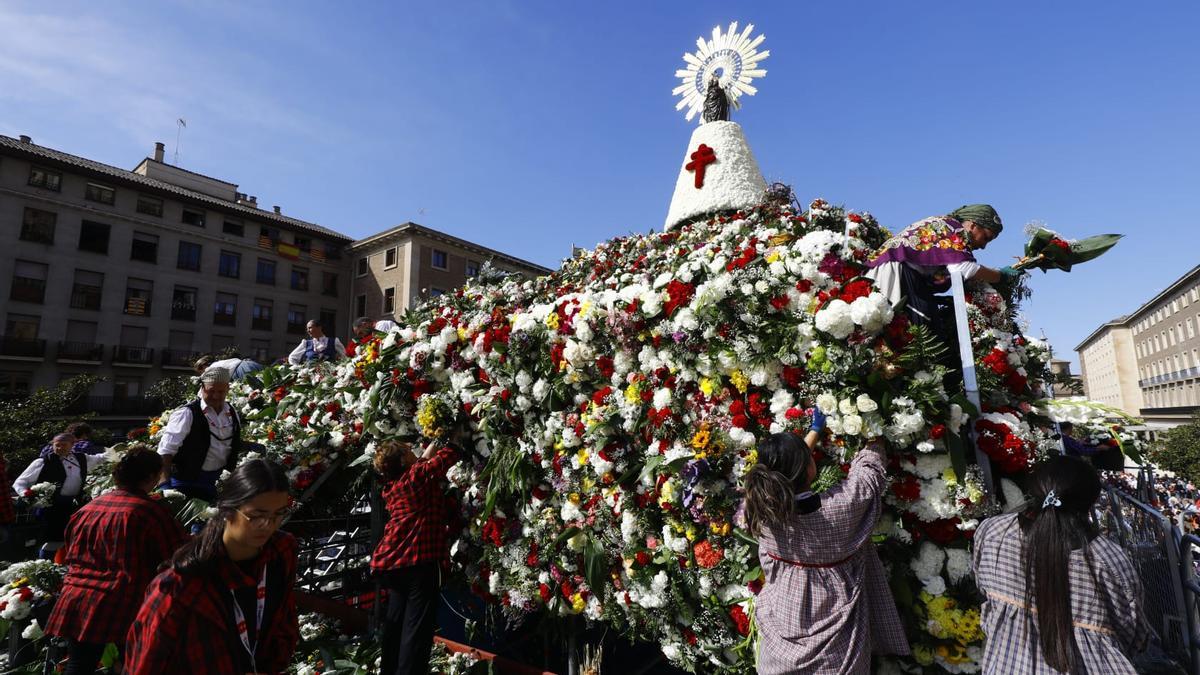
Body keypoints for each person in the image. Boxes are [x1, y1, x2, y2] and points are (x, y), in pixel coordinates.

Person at [745, 426, 909, 674]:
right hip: (835, 645)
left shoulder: (761, 512)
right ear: (809, 468)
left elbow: (785, 473)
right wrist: (873, 432)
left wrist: (814, 432)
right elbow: (868, 475)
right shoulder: (837, 511)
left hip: (783, 624)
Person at [972, 455, 1150, 673]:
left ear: (1034, 489)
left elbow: (983, 588)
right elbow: (1133, 634)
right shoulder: (1107, 558)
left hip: (1006, 664)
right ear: (1091, 501)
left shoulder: (993, 532)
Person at [124, 459, 298, 674]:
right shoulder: (178, 587)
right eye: (255, 516)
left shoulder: (281, 551)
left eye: (278, 514)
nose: (267, 525)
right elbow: (144, 665)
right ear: (228, 509)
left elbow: (284, 621)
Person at [45, 444, 187, 675]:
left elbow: (71, 553)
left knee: (79, 665)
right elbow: (175, 556)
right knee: (135, 664)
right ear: (152, 476)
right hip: (122, 600)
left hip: (76, 597)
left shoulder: (86, 509)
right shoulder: (149, 511)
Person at [371, 438, 463, 675]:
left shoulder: (394, 486)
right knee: (416, 632)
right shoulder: (417, 477)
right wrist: (451, 434)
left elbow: (422, 464)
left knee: (396, 625)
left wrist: (427, 450)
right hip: (418, 563)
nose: (415, 451)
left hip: (394, 564)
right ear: (403, 459)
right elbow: (450, 454)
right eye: (409, 450)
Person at [866, 204, 1018, 328]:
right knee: (923, 332)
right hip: (897, 276)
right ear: (972, 226)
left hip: (905, 276)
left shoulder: (947, 226)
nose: (984, 246)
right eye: (985, 238)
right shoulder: (953, 228)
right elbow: (962, 268)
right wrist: (1001, 276)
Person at [12, 432, 109, 554]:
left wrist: (125, 449)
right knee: (51, 540)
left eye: (64, 445)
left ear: (72, 445)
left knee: (73, 539)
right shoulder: (42, 462)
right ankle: (45, 564)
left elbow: (101, 458)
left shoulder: (81, 458)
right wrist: (27, 494)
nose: (59, 448)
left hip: (75, 506)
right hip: (51, 508)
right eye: (57, 445)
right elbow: (20, 482)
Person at [156, 366, 242, 501]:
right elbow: (165, 451)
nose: (216, 396)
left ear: (227, 389)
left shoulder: (232, 413)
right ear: (202, 388)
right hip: (185, 484)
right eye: (211, 391)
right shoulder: (187, 413)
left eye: (221, 391)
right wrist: (164, 485)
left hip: (216, 484)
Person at [193, 354, 264, 382]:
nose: (202, 373)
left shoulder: (212, 367)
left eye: (201, 370)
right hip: (250, 364)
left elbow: (204, 377)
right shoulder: (220, 363)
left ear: (204, 365)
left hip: (242, 371)